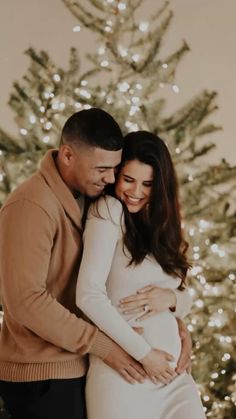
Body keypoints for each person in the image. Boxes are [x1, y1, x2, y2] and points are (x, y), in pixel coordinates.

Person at [0, 109, 191, 419]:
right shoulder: (31, 205)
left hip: (75, 364)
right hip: (41, 373)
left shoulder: (88, 196)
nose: (111, 178)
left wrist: (175, 318)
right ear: (67, 155)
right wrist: (104, 345)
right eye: (102, 169)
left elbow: (121, 279)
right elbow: (25, 301)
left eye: (115, 169)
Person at [76, 131, 205, 419]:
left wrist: (172, 299)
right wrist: (145, 354)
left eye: (147, 184)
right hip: (125, 376)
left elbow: (184, 297)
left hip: (174, 380)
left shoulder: (161, 225)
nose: (136, 192)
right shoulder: (108, 211)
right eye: (128, 180)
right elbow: (88, 294)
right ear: (116, 176)